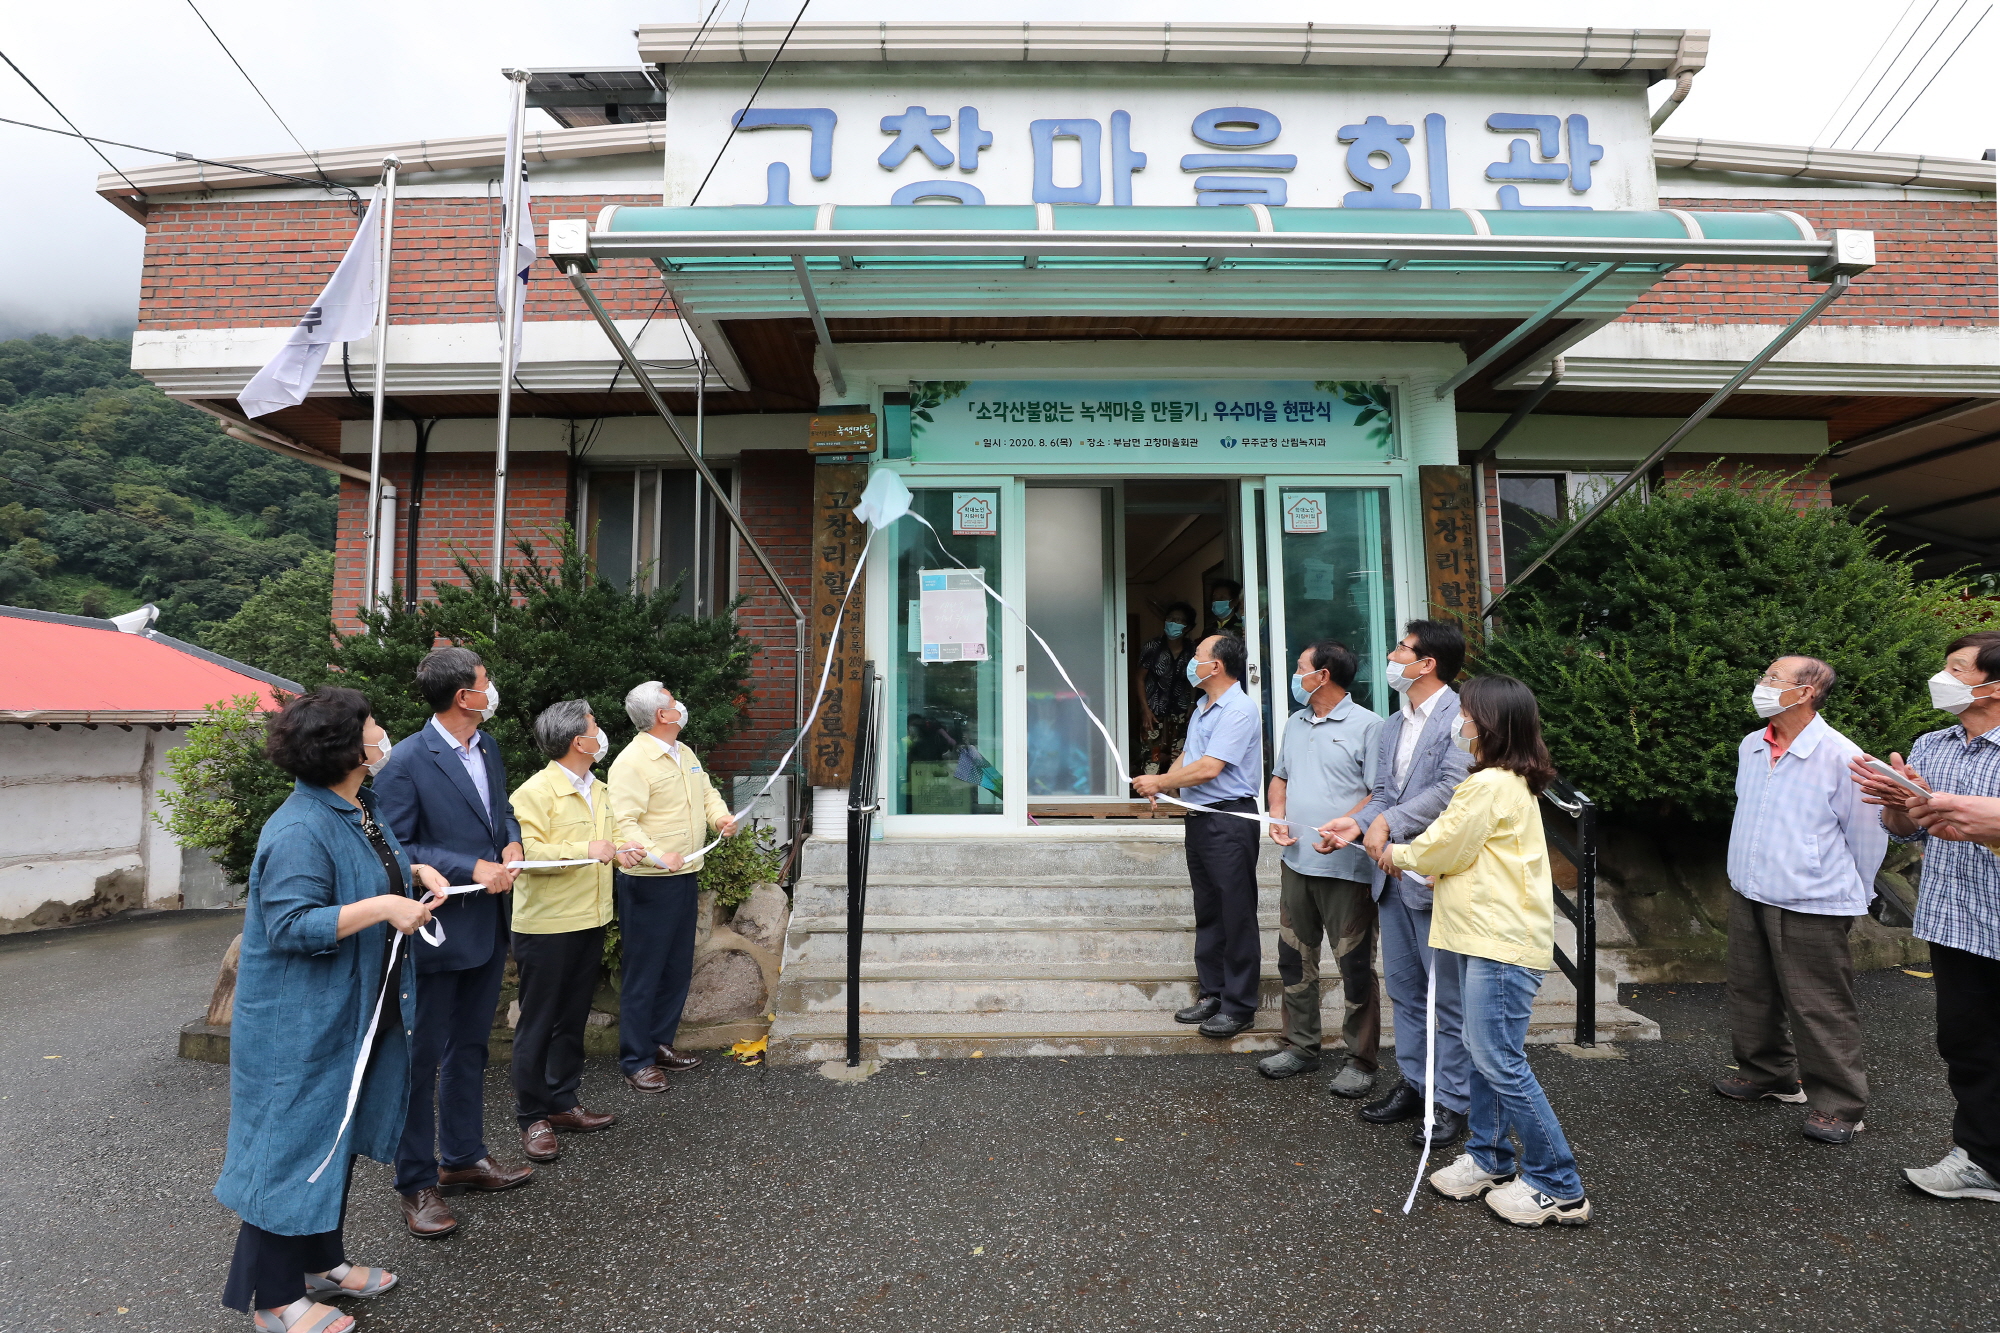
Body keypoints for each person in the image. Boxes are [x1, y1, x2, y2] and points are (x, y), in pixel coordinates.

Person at [216, 688, 446, 1332]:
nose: (384, 732)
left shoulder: (356, 806)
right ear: (346, 748)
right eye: (374, 725)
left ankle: (320, 1265)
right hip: (303, 1022)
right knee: (289, 1150)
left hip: (353, 1011)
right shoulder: (298, 827)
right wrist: (383, 908)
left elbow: (368, 867)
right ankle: (271, 1300)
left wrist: (415, 873)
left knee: (333, 1136)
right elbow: (289, 923)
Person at [1381, 674, 1592, 1227]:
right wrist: (1422, 860)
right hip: (1482, 934)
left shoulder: (1489, 784)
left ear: (1490, 725)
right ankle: (1491, 1158)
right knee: (1483, 1053)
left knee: (1500, 1059)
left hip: (1498, 942)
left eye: (1469, 713)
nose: (1461, 721)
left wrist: (1395, 852)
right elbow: (1465, 855)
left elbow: (1442, 845)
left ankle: (1560, 1186)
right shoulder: (1504, 781)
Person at [372, 646, 534, 1238]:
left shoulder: (487, 747)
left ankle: (463, 1158)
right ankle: (416, 1183)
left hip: (486, 927)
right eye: (486, 684)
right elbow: (399, 847)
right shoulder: (407, 761)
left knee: (469, 1049)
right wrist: (472, 865)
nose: (493, 692)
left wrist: (511, 844)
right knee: (421, 1061)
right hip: (436, 931)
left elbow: (502, 814)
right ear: (464, 697)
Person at [1850, 630, 2000, 1203]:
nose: (1944, 677)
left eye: (1958, 668)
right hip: (1954, 917)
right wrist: (1899, 807)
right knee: (1967, 1041)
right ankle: (1981, 1159)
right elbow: (1905, 830)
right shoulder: (1933, 744)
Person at [1315, 620, 1474, 1147]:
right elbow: (1383, 792)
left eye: (1402, 648)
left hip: (1435, 877)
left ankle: (1454, 1102)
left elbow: (1454, 788)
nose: (1392, 655)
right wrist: (1356, 823)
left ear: (1427, 664)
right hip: (1390, 877)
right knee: (1406, 991)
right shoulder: (1390, 724)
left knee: (1444, 997)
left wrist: (1388, 824)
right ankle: (1416, 1084)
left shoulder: (1461, 716)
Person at [1715, 656, 1886, 1144]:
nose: (1762, 686)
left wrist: (1855, 890)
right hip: (1750, 885)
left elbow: (1867, 836)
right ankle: (1767, 1073)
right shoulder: (1753, 745)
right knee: (1750, 987)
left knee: (1819, 1004)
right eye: (1765, 677)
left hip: (1812, 897)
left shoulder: (1842, 756)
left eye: (1774, 679)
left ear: (1807, 691)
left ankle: (1839, 1103)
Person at [509, 700, 646, 1163]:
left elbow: (610, 842)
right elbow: (524, 855)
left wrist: (624, 850)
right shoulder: (534, 792)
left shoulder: (600, 789)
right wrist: (587, 847)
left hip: (591, 919)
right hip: (546, 926)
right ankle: (532, 1117)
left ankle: (563, 1101)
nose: (601, 732)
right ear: (576, 741)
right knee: (538, 1021)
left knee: (571, 1018)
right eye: (595, 726)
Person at [1259, 640, 1386, 1097]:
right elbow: (1281, 776)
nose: (1295, 676)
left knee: (1354, 964)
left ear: (1324, 675)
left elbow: (1380, 794)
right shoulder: (1294, 723)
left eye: (1300, 668)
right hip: (1298, 861)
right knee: (1294, 958)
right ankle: (1301, 1046)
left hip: (1347, 867)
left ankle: (1362, 1058)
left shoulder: (1369, 726)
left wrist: (1351, 826)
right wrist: (1277, 814)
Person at [1133, 634, 1265, 1040]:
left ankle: (1240, 1005)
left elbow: (1210, 768)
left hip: (1229, 820)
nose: (1192, 662)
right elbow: (1189, 757)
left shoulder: (1238, 710)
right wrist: (1166, 784)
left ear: (1217, 666)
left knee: (1235, 912)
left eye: (1198, 656)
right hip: (1201, 819)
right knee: (1208, 909)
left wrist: (1160, 779)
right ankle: (1213, 992)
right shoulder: (1203, 708)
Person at [609, 680, 738, 1092]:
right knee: (644, 971)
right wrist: (656, 855)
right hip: (648, 881)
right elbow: (623, 823)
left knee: (676, 965)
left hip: (685, 874)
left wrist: (720, 818)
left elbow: (707, 795)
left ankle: (660, 1042)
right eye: (671, 697)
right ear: (663, 715)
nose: (679, 702)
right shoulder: (632, 762)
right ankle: (636, 1059)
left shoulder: (683, 753)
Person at [1134, 601, 1199, 776]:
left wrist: (1192, 705)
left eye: (1179, 620)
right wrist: (1145, 710)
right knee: (1152, 754)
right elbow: (1139, 679)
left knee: (1178, 753)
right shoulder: (1152, 647)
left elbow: (1193, 680)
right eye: (1170, 618)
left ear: (1187, 627)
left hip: (1181, 710)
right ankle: (1151, 789)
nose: (1173, 623)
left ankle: (1173, 789)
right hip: (1153, 711)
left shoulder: (1192, 650)